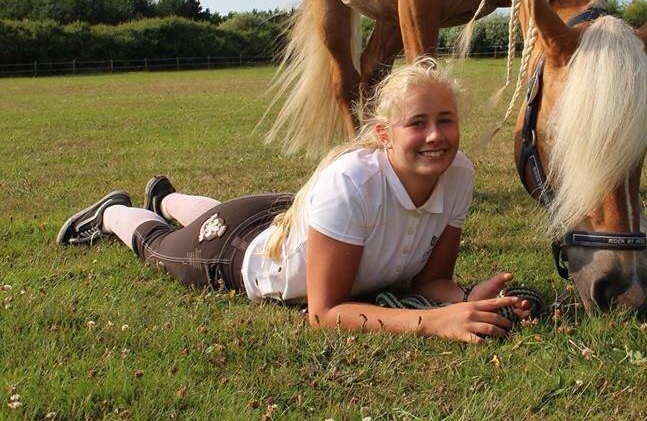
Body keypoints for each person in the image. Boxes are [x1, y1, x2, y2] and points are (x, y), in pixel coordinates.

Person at [57, 58, 529, 342]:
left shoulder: (458, 174)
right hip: (236, 252)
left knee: (211, 218)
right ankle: (115, 212)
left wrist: (467, 298)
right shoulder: (352, 184)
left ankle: (169, 197)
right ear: (383, 134)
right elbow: (324, 313)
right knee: (160, 247)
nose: (435, 136)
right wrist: (434, 321)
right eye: (418, 123)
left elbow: (431, 280)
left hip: (287, 220)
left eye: (446, 120)